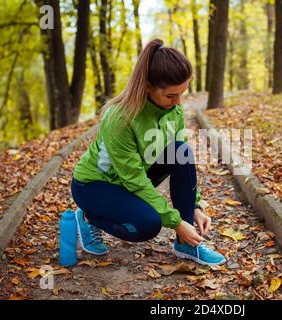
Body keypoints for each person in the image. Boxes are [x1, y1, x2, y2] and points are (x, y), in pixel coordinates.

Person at [70, 39, 226, 266]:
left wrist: (194, 207)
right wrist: (176, 222)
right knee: (147, 225)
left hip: (132, 178)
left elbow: (181, 157)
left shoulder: (174, 109)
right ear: (148, 87)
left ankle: (186, 245)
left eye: (182, 94)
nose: (178, 102)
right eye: (171, 96)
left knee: (180, 150)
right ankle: (87, 217)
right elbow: (133, 179)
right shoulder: (120, 118)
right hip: (95, 185)